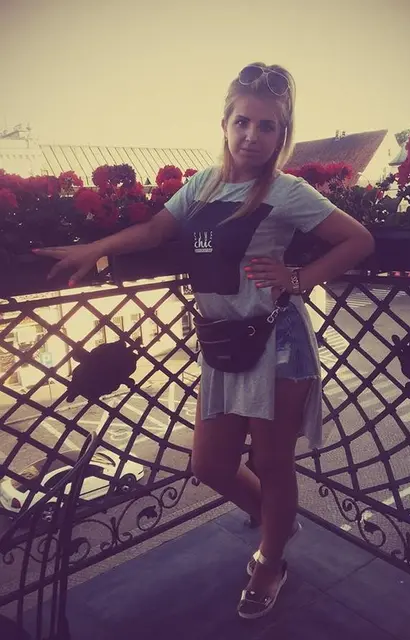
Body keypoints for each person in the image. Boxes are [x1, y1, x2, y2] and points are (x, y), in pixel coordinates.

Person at [34, 62, 375, 619]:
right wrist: (93, 249)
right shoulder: (203, 185)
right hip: (222, 345)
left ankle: (270, 559)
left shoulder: (287, 192)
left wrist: (298, 279)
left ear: (281, 135)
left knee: (272, 462)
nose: (252, 135)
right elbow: (155, 231)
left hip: (276, 342)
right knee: (210, 464)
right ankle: (278, 521)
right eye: (243, 121)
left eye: (267, 126)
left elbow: (357, 240)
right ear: (224, 123)